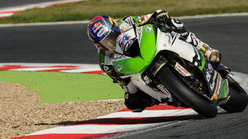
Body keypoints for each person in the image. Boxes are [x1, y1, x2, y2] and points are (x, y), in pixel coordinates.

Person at [87, 10, 222, 112]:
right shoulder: (104, 60)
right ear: (98, 45)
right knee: (133, 103)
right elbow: (122, 83)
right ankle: (163, 96)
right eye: (104, 42)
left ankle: (206, 50)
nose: (109, 42)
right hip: (135, 67)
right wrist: (128, 87)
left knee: (174, 25)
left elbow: (147, 17)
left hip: (147, 45)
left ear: (114, 26)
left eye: (110, 35)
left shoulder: (126, 22)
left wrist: (159, 15)